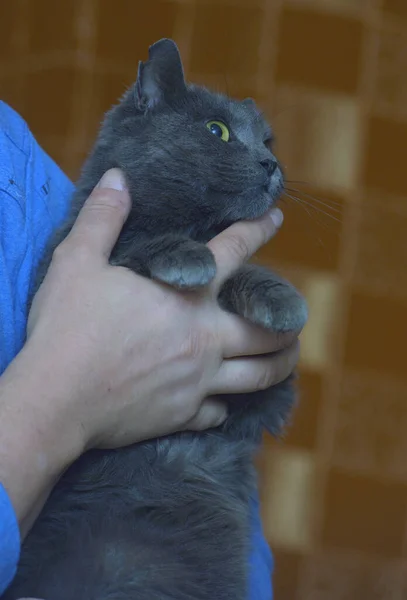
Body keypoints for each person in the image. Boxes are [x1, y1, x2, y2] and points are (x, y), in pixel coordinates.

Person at [0, 101, 301, 598]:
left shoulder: (19, 152)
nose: (266, 158)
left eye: (264, 144)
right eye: (221, 131)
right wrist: (61, 398)